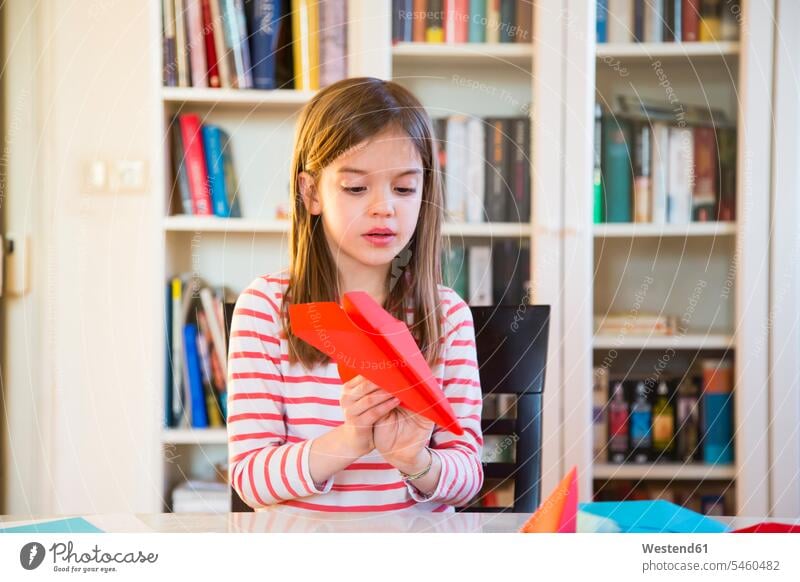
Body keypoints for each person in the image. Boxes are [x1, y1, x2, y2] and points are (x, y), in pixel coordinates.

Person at [227, 77, 483, 513]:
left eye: (404, 189)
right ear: (311, 193)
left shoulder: (447, 315)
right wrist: (350, 439)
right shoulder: (266, 308)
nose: (385, 207)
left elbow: (468, 477)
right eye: (356, 188)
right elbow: (250, 479)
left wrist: (414, 460)